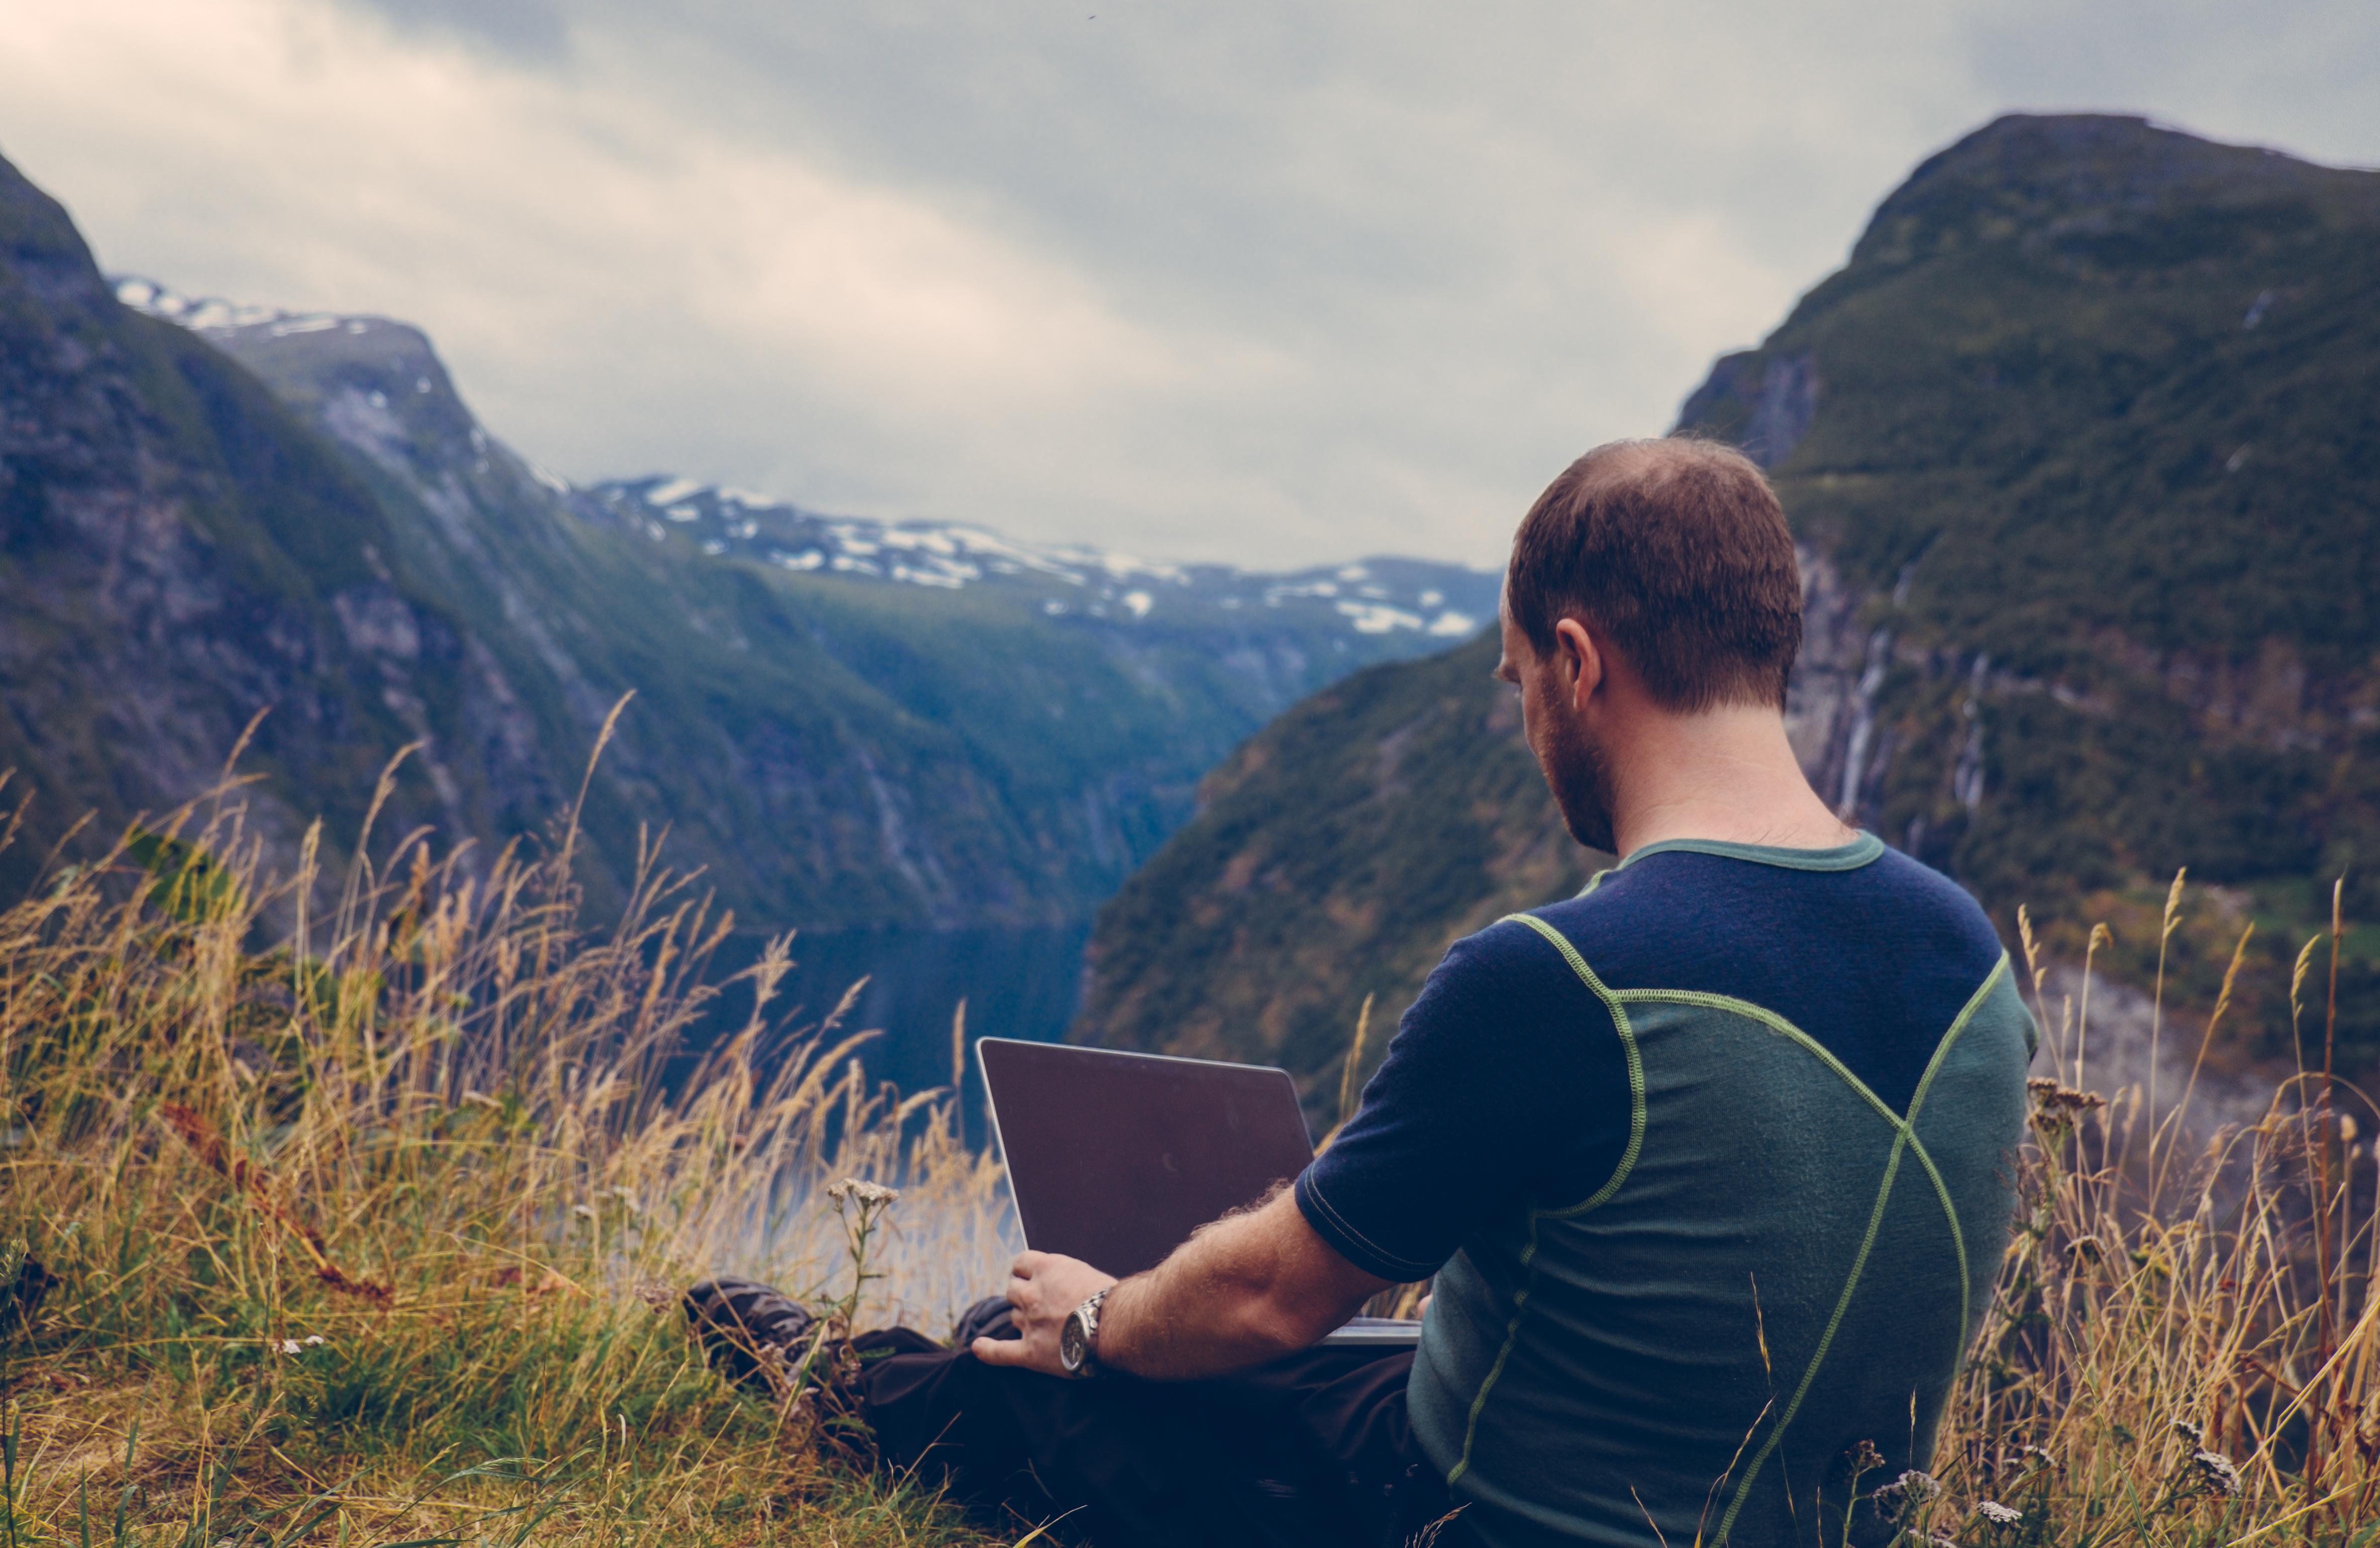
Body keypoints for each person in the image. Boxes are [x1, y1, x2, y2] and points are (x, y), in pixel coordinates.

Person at [711, 438, 2037, 1547]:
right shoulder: (1968, 955)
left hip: (1486, 1516)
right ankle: (935, 1362)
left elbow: (1272, 1299)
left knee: (1054, 1353)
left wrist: (1100, 1322)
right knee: (1236, 1350)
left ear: (1579, 664)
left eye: (1523, 686)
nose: (1531, 728)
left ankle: (833, 1386)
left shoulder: (1565, 974)